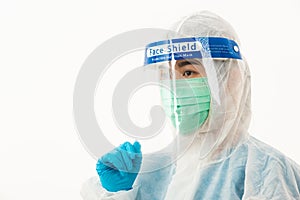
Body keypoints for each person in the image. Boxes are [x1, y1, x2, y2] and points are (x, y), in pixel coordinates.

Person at [80, 11, 300, 199]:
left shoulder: (265, 170)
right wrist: (117, 192)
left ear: (230, 79)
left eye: (188, 72)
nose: (174, 88)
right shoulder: (152, 173)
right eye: (166, 75)